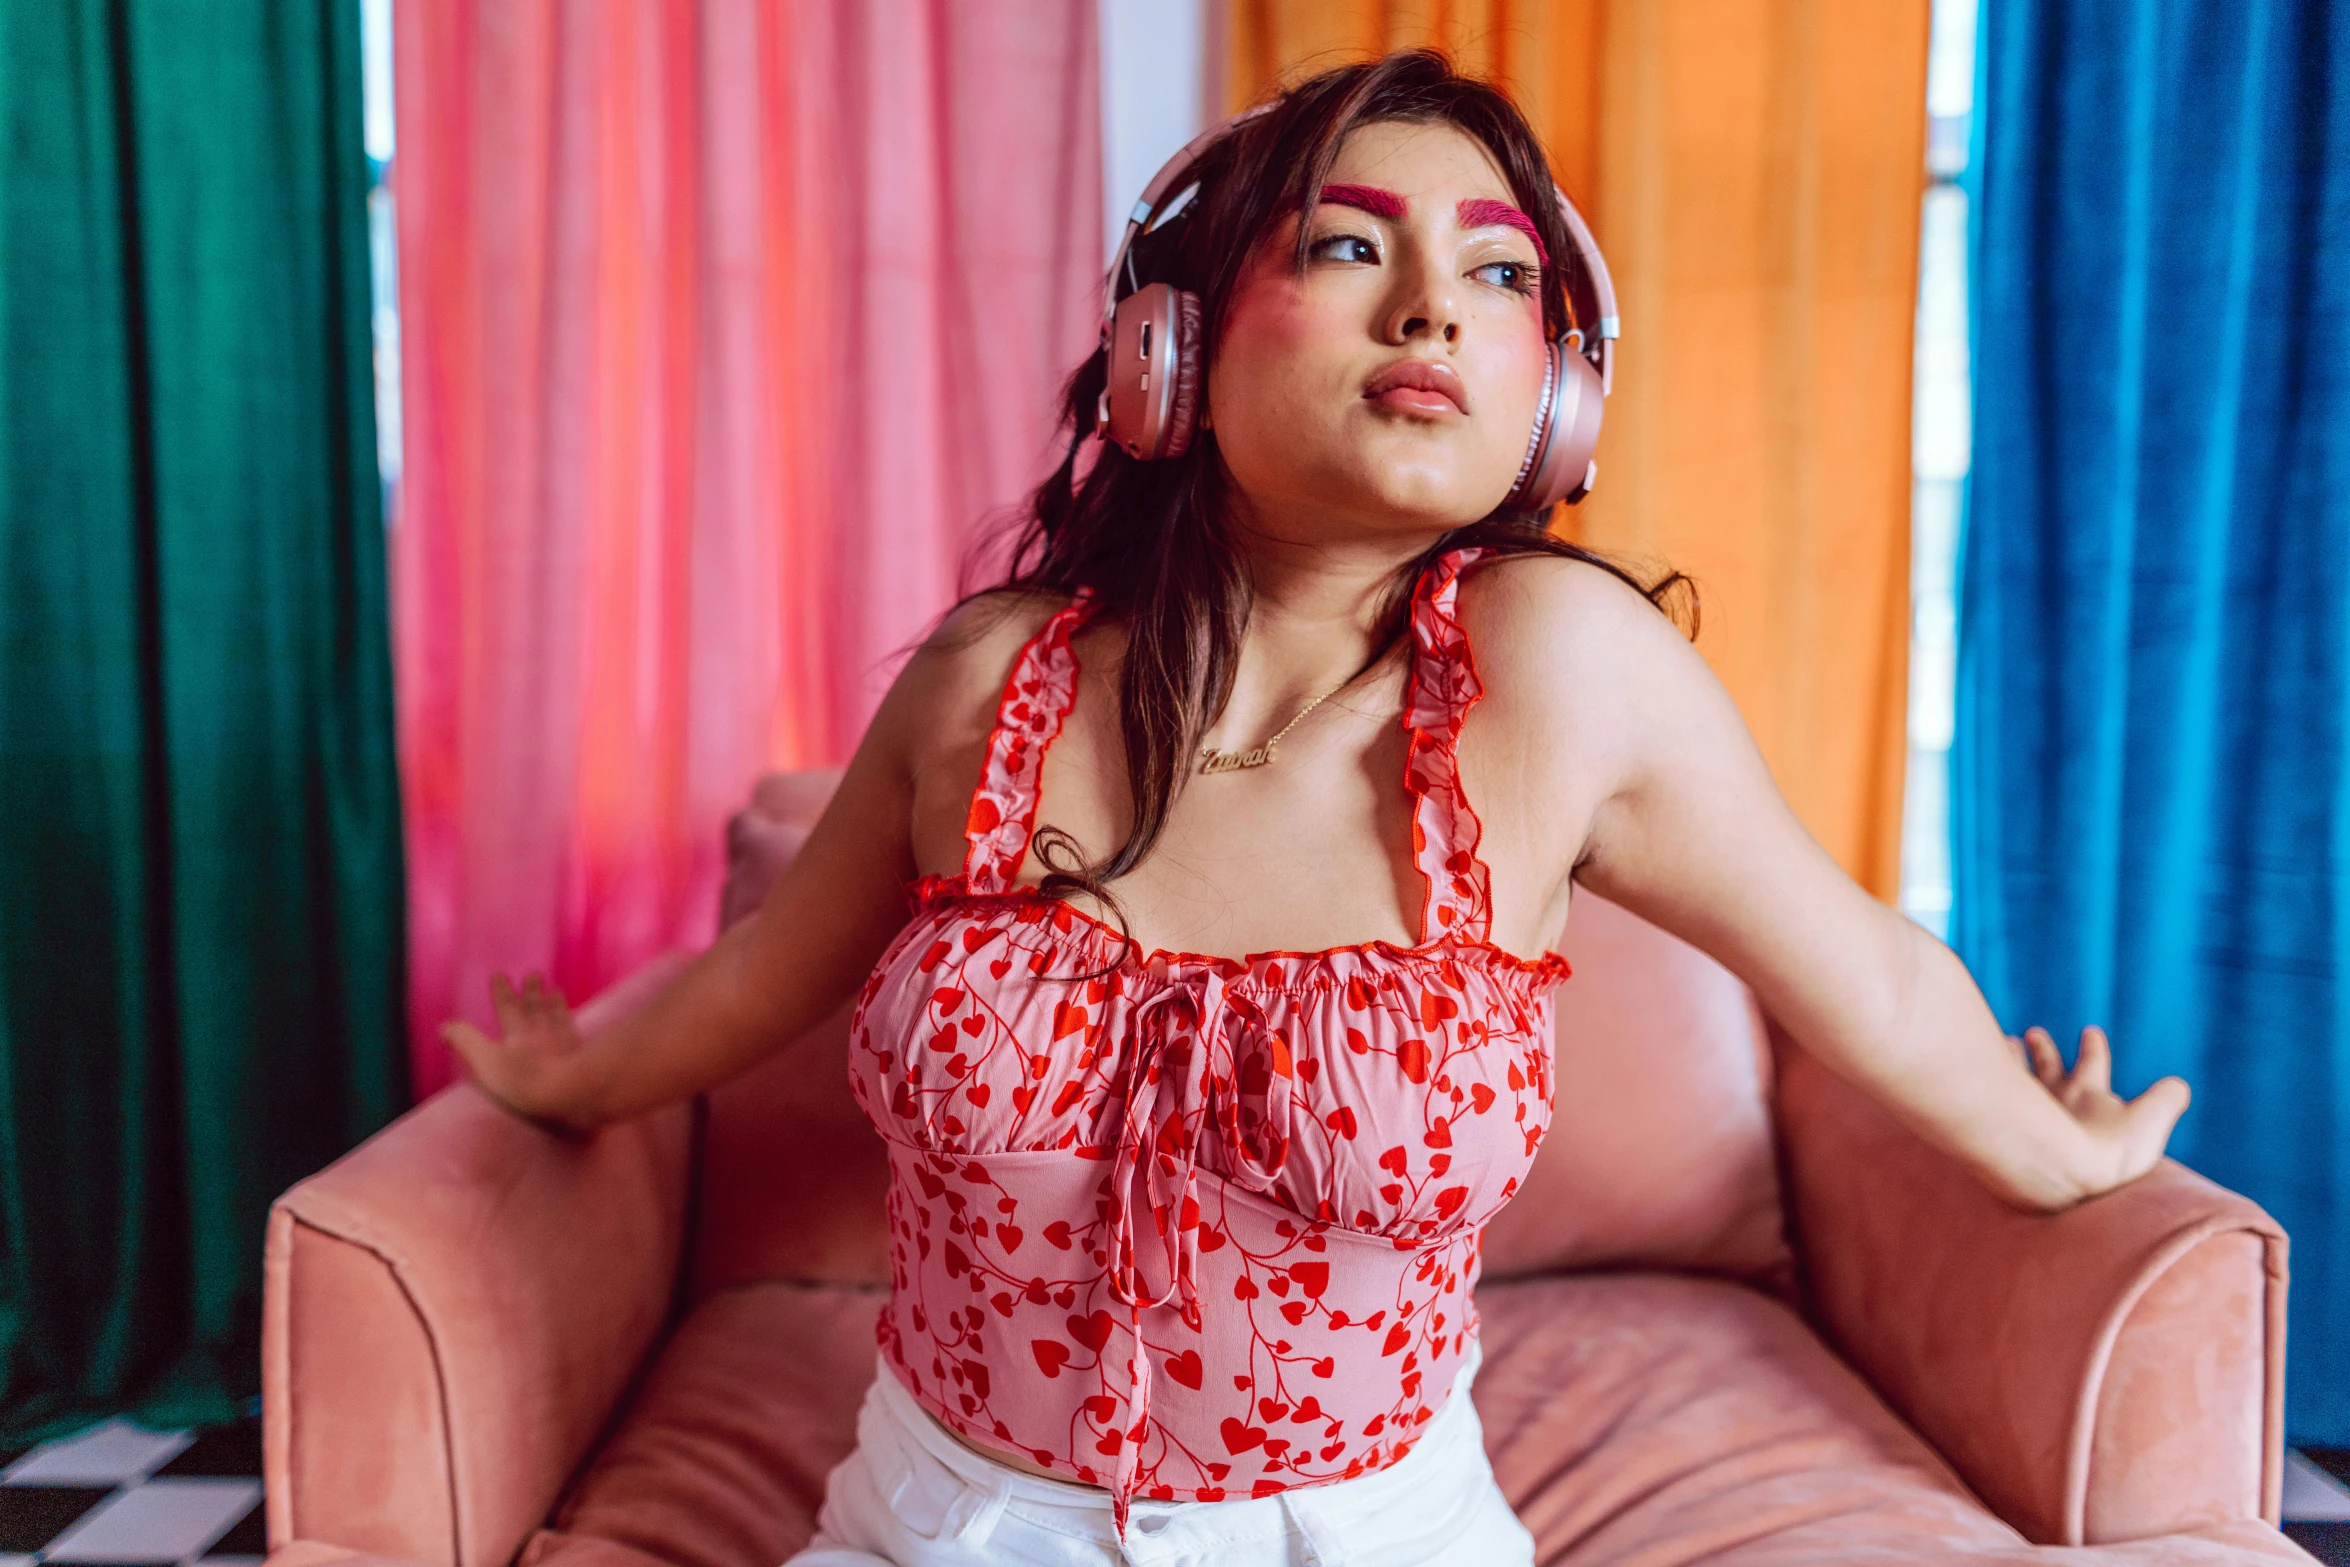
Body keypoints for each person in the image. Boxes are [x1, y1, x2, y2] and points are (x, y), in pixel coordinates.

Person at [443, 50, 2191, 1567]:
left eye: (1498, 279)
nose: (1432, 309)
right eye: (1350, 247)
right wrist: (568, 1078)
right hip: (939, 1520)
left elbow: (1868, 979)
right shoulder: (986, 681)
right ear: (1168, 346)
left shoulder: (1560, 677)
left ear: (1555, 399)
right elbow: (764, 979)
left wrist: (2065, 1157)